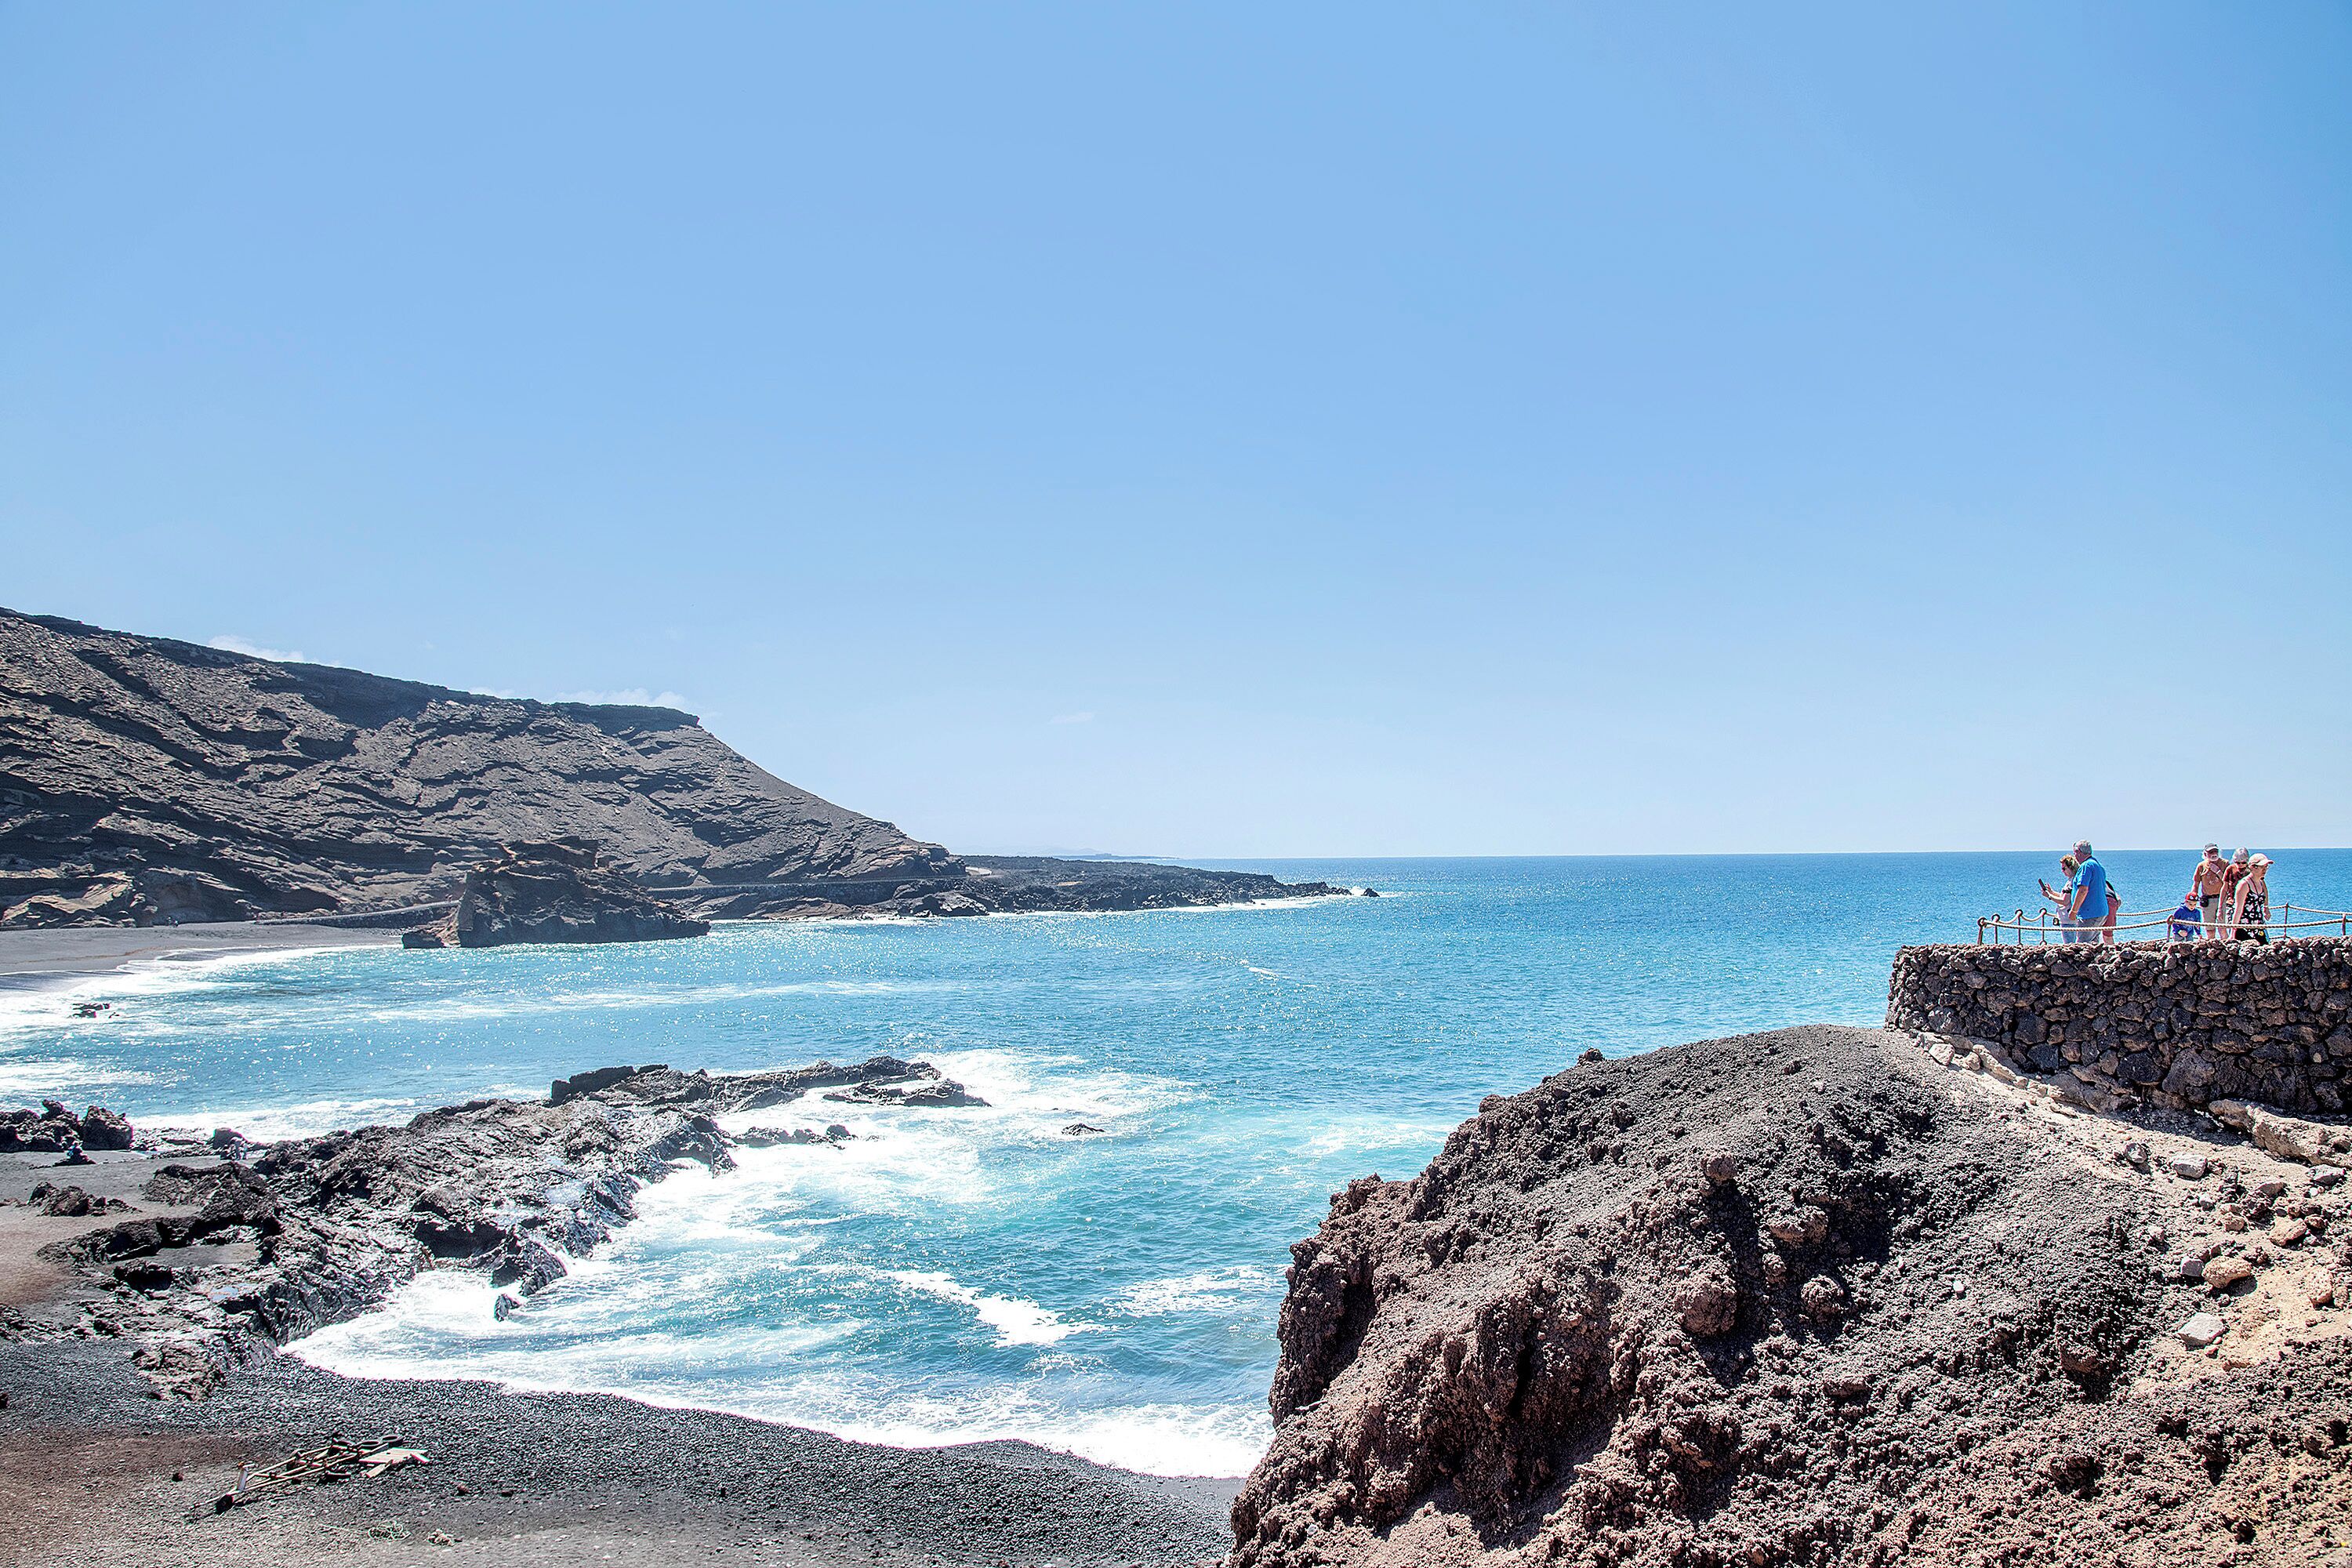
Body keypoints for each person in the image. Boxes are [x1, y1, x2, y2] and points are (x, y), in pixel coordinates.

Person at [2070, 840, 2108, 945]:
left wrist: (2074, 911)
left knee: (2082, 945)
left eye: (2074, 853)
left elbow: (2083, 890)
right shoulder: (2098, 865)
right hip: (2099, 912)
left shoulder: (2086, 866)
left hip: (2089, 914)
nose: (2075, 856)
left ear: (2079, 852)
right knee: (2093, 944)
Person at [2188, 844, 2229, 938]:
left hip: (2222, 899)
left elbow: (2228, 882)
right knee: (2210, 929)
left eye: (2216, 852)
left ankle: (2227, 948)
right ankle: (2212, 948)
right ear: (2205, 854)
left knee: (2222, 927)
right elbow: (2196, 884)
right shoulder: (2201, 866)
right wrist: (2192, 899)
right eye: (2211, 852)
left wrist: (2218, 871)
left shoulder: (2225, 863)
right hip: (2207, 900)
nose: (2214, 854)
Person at [2231, 853, 2272, 944]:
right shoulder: (2244, 884)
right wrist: (2233, 932)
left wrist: (2266, 907)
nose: (2265, 869)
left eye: (2266, 867)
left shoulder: (2261, 882)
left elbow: (2265, 895)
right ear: (2253, 867)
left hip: (2259, 925)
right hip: (2245, 927)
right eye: (2262, 867)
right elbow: (2238, 909)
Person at [2038, 855, 2079, 938]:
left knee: (2069, 944)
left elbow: (2065, 901)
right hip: (2068, 919)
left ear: (2071, 868)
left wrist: (2049, 896)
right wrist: (2052, 892)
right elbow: (2065, 896)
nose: (2062, 871)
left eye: (2064, 869)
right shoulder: (2071, 880)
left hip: (2068, 920)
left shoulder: (2072, 882)